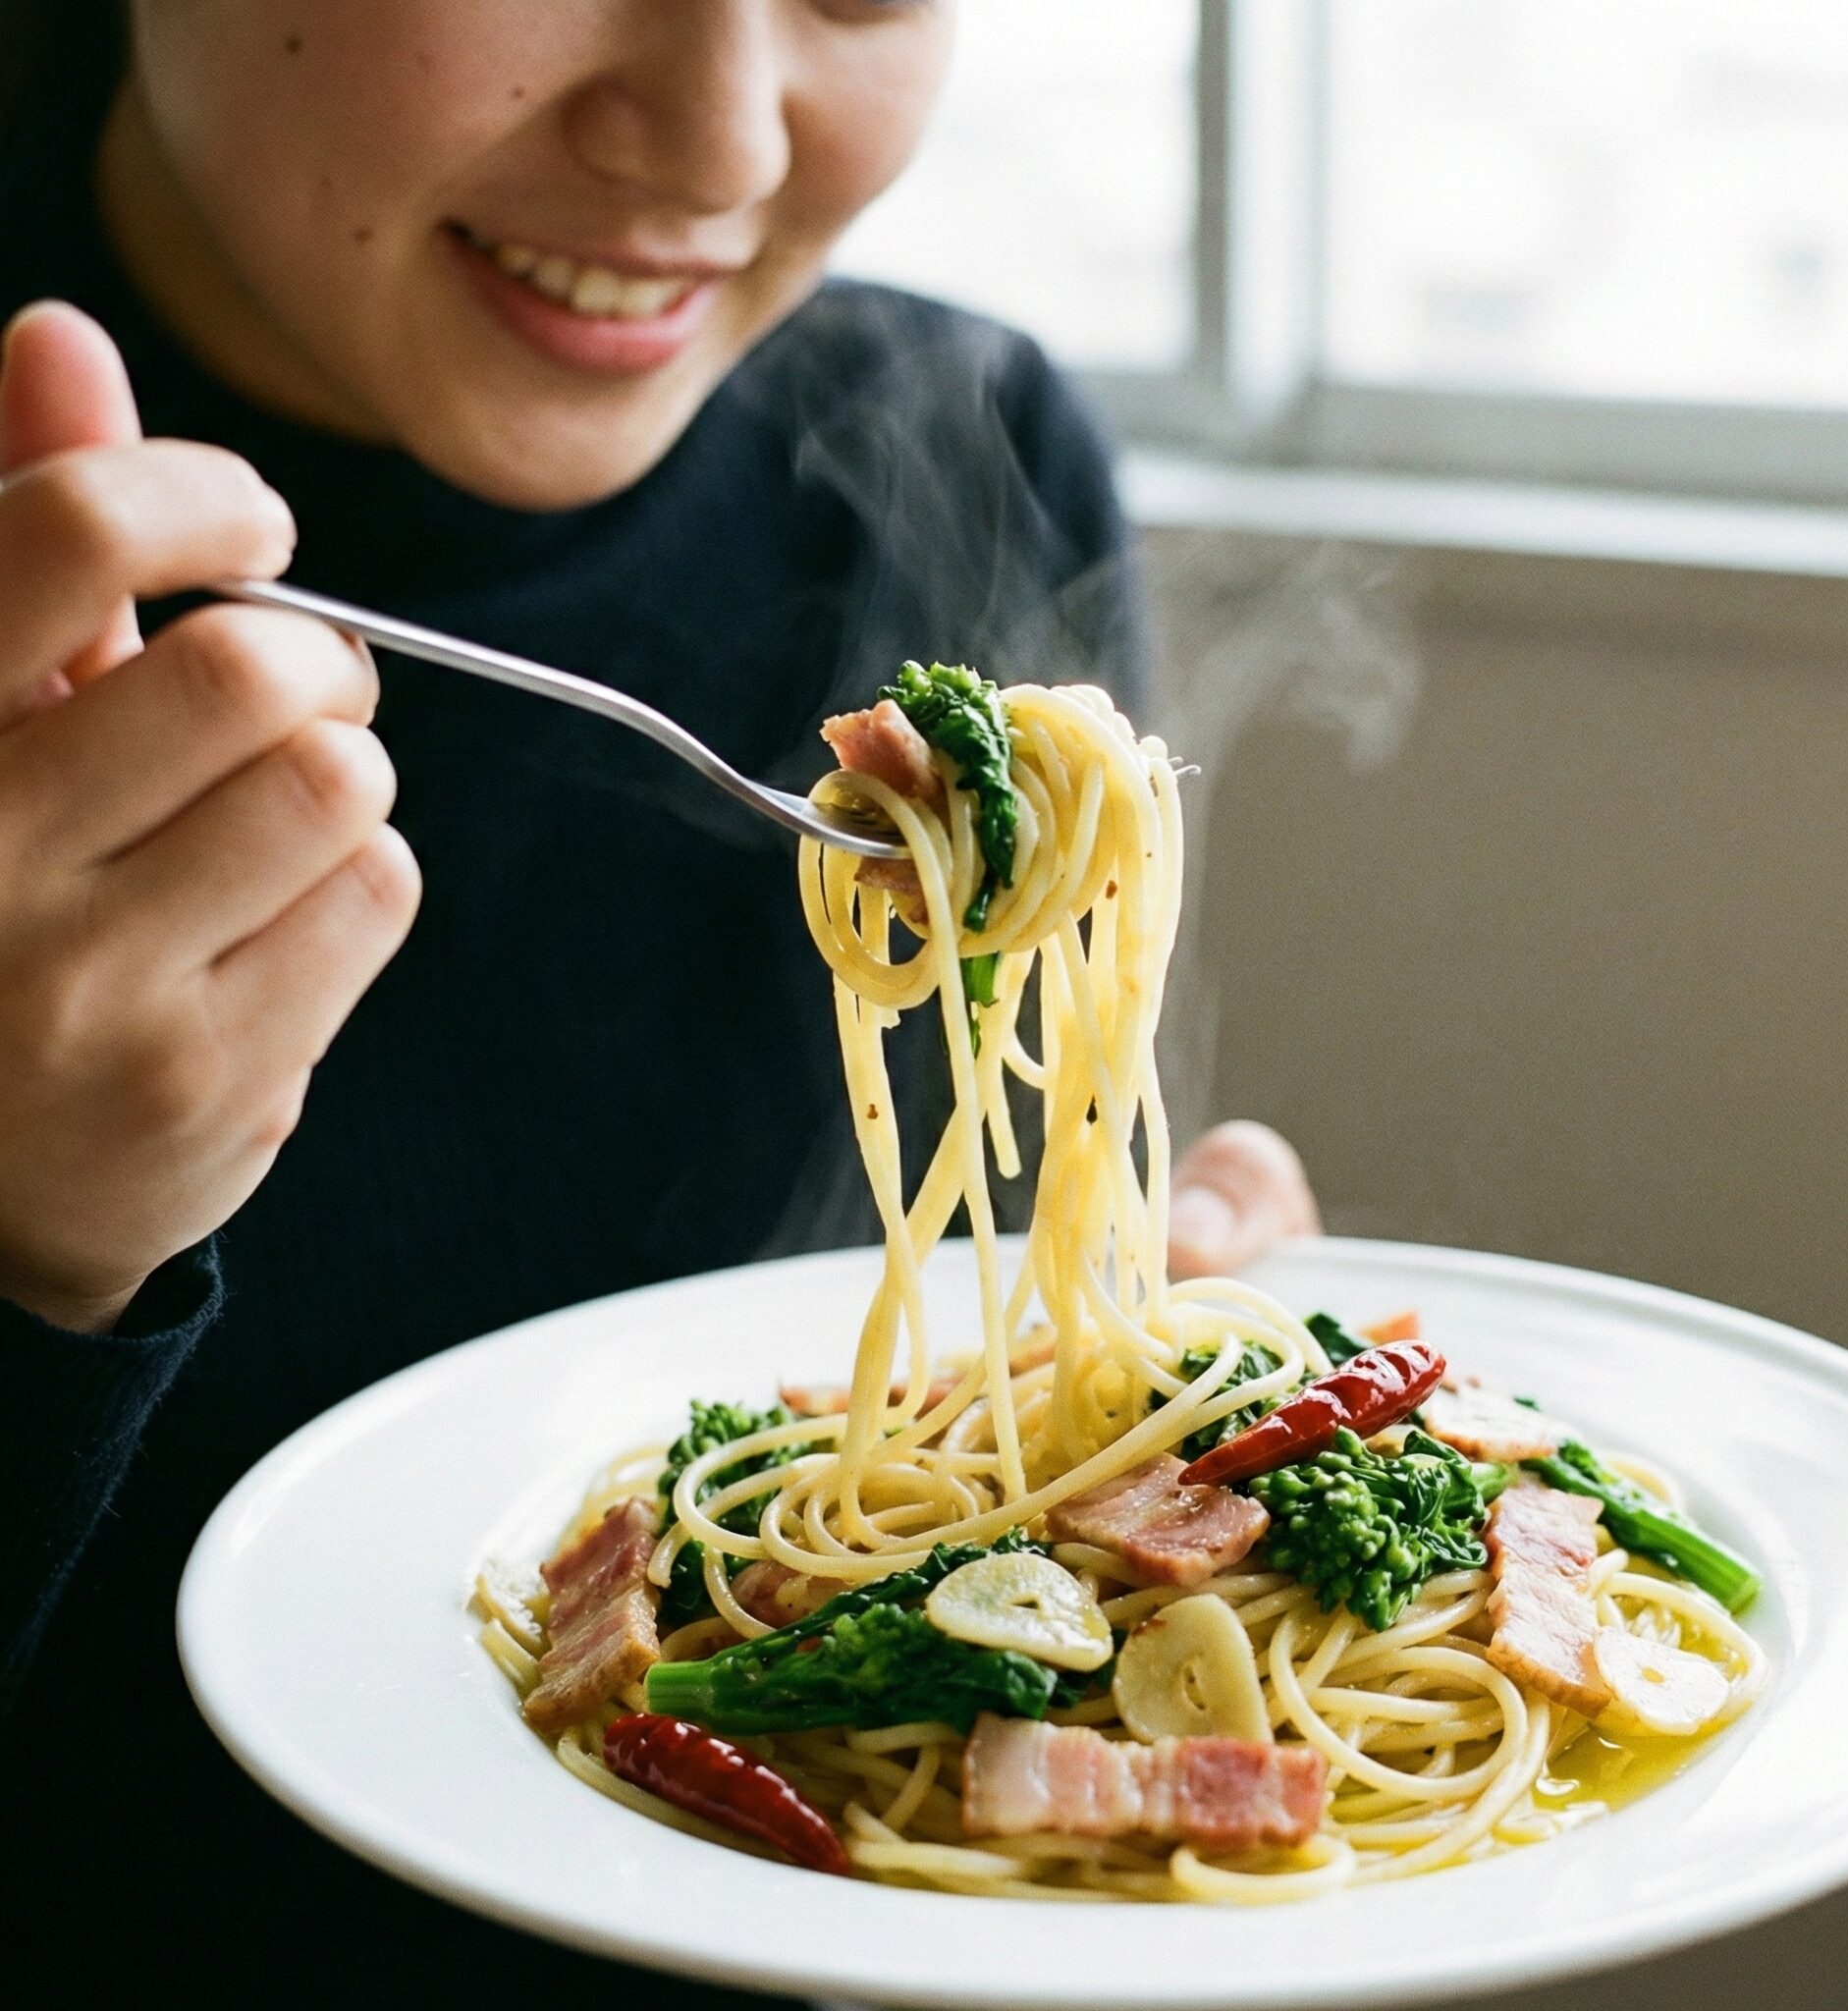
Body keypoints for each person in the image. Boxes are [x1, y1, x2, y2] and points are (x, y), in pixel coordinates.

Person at [0, 3, 1319, 1996]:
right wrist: (24, 1261)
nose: (715, 148)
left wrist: (1152, 1411)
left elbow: (984, 1363)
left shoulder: (960, 450)